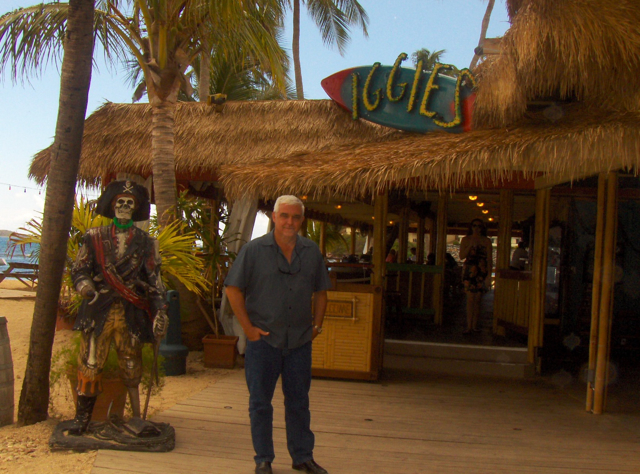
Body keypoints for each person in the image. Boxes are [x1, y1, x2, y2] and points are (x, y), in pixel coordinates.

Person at [225, 195, 332, 474]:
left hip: (299, 342)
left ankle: (302, 457)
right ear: (274, 217)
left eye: (296, 217)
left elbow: (322, 292)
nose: (290, 222)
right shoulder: (253, 250)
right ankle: (263, 459)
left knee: (299, 402)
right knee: (260, 402)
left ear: (301, 220)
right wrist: (248, 329)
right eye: (285, 216)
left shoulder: (311, 252)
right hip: (264, 342)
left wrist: (316, 326)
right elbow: (232, 289)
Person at [67, 180, 168, 435]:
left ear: (135, 209)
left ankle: (136, 418)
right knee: (90, 362)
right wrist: (86, 288)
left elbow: (154, 280)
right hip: (98, 309)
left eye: (129, 203)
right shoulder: (93, 237)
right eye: (120, 202)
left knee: (132, 365)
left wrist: (160, 311)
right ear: (112, 206)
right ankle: (82, 419)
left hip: (130, 312)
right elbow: (79, 269)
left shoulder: (146, 242)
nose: (124, 207)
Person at [459, 219, 493, 334]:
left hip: (481, 270)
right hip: (469, 269)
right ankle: (469, 326)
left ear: (482, 228)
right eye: (474, 226)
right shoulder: (465, 239)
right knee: (470, 299)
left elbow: (489, 259)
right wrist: (470, 246)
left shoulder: (486, 241)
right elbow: (461, 256)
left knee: (478, 299)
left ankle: (474, 325)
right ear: (471, 227)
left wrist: (489, 275)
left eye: (479, 226)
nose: (476, 228)